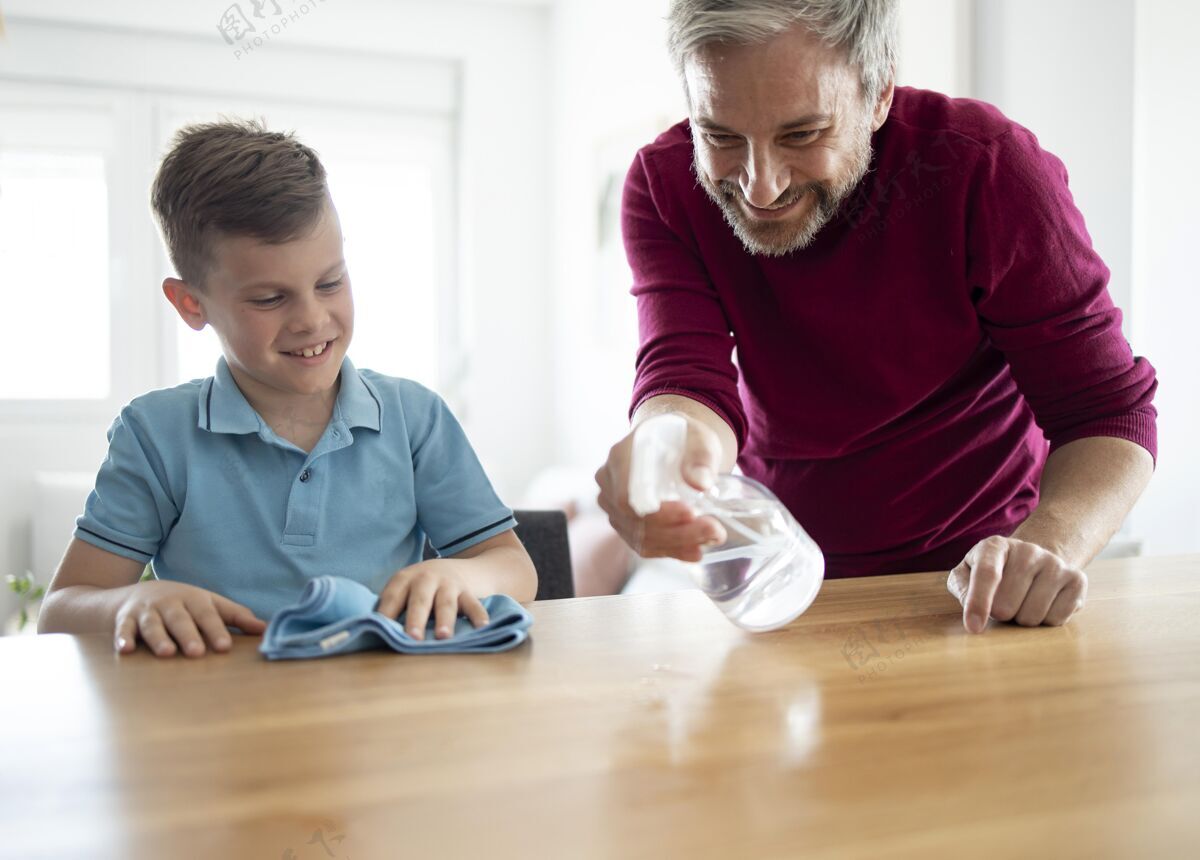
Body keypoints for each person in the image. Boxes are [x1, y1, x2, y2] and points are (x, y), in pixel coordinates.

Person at [595, 0, 1157, 633]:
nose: (759, 188)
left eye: (802, 134)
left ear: (880, 92)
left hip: (978, 591)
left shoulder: (985, 167)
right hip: (786, 592)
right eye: (720, 136)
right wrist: (664, 450)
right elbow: (684, 379)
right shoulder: (665, 185)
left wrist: (1046, 546)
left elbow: (1108, 411)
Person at [38, 119, 536, 657]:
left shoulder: (415, 418)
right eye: (270, 299)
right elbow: (61, 610)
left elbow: (513, 567)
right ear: (192, 304)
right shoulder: (155, 434)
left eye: (330, 283)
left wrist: (464, 578)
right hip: (218, 721)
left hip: (380, 717)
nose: (311, 318)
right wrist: (128, 603)